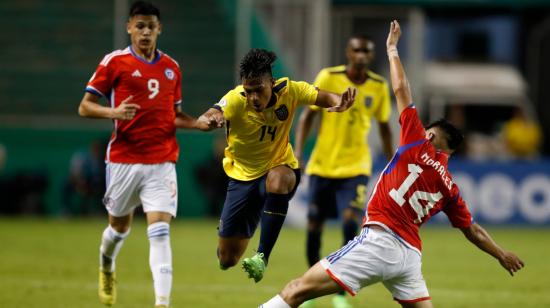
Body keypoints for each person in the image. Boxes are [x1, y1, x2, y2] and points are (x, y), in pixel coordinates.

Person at [260, 20, 524, 308]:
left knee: (296, 289)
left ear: (432, 135)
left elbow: (400, 88)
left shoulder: (416, 142)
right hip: (409, 257)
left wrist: (392, 49)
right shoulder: (450, 187)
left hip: (378, 242)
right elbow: (472, 230)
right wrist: (501, 254)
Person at [190, 48, 356, 283]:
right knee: (228, 259)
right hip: (241, 177)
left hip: (279, 167)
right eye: (249, 91)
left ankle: (262, 256)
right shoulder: (236, 100)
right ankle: (252, 218)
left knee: (279, 180)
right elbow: (210, 114)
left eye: (259, 90)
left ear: (272, 82)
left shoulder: (290, 90)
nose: (254, 97)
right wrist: (210, 119)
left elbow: (322, 96)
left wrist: (340, 101)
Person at [78, 2, 197, 307]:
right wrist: (114, 111)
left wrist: (199, 123)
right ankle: (106, 264)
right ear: (129, 27)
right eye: (139, 26)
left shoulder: (172, 67)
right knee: (119, 229)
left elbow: (176, 115)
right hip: (123, 160)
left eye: (151, 26)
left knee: (159, 232)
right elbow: (84, 106)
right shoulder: (114, 63)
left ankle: (162, 303)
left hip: (161, 161)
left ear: (160, 29)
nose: (145, 32)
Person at [294, 34, 394, 308]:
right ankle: (309, 290)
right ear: (348, 53)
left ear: (371, 56)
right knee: (314, 225)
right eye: (356, 50)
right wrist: (300, 153)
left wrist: (392, 163)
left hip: (356, 165)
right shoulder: (328, 76)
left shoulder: (378, 86)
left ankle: (340, 293)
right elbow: (308, 117)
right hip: (323, 164)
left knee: (351, 222)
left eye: (366, 50)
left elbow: (385, 126)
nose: (361, 54)